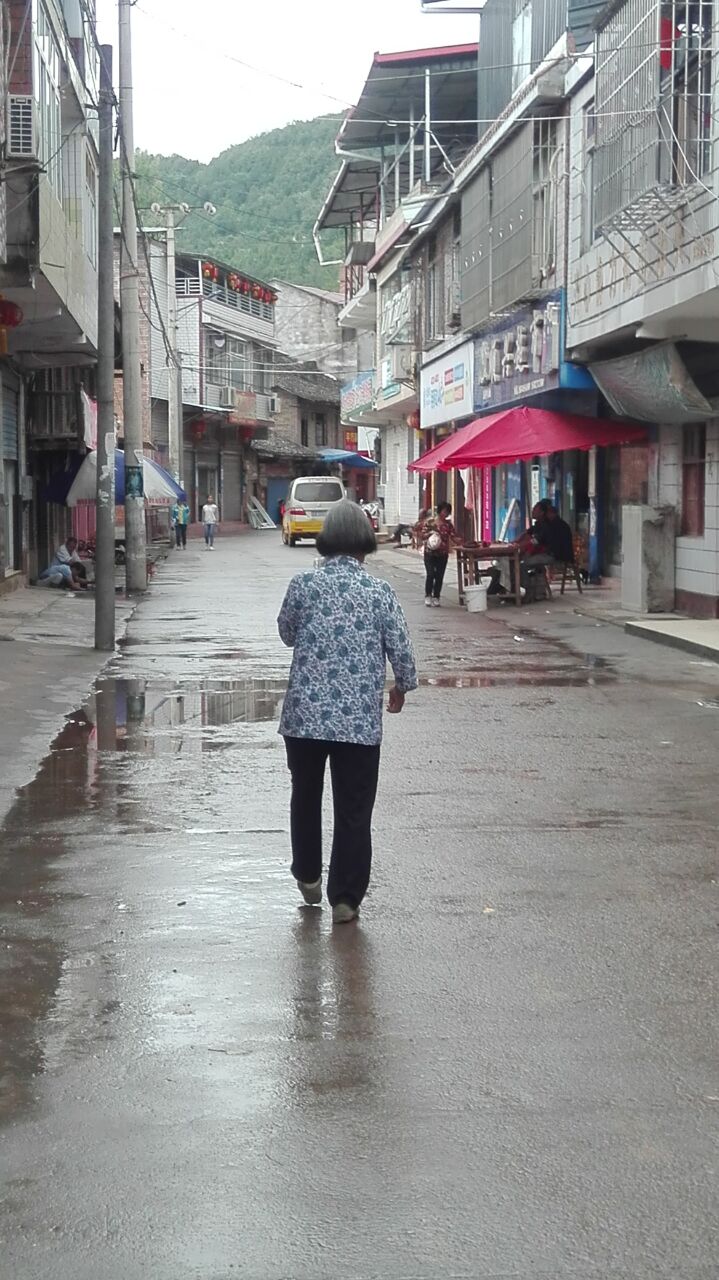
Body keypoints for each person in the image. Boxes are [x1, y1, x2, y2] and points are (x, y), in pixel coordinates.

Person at [277, 499, 417, 925]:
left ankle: (307, 876)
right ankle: (346, 898)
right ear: (364, 542)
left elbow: (286, 633)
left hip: (304, 718)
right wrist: (401, 686)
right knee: (354, 809)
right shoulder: (379, 592)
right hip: (358, 722)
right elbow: (401, 649)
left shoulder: (303, 585)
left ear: (325, 539)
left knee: (305, 797)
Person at [421, 501, 460, 607]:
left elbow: (453, 537)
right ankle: (428, 595)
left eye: (448, 512)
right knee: (430, 574)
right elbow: (422, 535)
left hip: (442, 554)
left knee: (439, 576)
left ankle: (436, 596)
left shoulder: (448, 525)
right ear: (440, 511)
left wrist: (461, 543)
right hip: (430, 553)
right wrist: (430, 533)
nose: (446, 514)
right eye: (444, 511)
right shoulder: (430, 522)